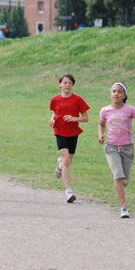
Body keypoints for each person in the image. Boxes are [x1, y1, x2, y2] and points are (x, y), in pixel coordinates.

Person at [98, 82, 135, 218]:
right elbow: (101, 124)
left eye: (120, 91)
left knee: (125, 181)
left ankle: (117, 176)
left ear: (124, 95)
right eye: (114, 91)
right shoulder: (105, 111)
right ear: (110, 94)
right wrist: (101, 135)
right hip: (111, 147)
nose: (116, 93)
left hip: (127, 149)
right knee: (118, 177)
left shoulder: (130, 110)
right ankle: (124, 208)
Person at [48, 74, 90, 203]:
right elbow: (55, 113)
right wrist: (51, 119)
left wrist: (74, 118)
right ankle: (68, 192)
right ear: (60, 84)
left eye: (70, 83)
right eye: (65, 82)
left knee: (67, 161)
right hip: (59, 131)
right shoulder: (54, 100)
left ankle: (60, 166)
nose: (67, 85)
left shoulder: (78, 100)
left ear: (72, 85)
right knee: (67, 160)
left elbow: (86, 118)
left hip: (73, 132)